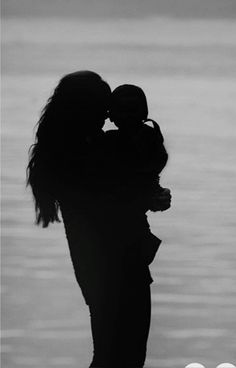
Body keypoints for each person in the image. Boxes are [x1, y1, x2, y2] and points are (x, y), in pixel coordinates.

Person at [27, 71, 171, 367]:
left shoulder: (72, 152)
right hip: (115, 266)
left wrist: (147, 194)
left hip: (100, 265)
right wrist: (147, 196)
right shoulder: (85, 155)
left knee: (113, 353)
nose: (108, 116)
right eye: (102, 108)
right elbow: (109, 202)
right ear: (83, 109)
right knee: (122, 355)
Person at [107, 83, 171, 264]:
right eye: (123, 110)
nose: (128, 116)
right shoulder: (149, 137)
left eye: (132, 110)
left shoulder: (112, 141)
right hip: (131, 220)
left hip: (129, 223)